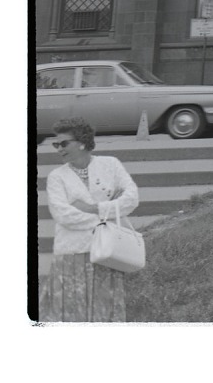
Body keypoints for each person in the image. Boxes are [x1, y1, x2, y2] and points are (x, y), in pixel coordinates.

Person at [40, 117, 139, 321]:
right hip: (72, 252)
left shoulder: (111, 164)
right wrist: (106, 219)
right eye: (56, 145)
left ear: (82, 142)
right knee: (70, 313)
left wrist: (94, 208)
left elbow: (131, 199)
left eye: (64, 143)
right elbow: (63, 214)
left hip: (108, 252)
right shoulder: (57, 177)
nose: (59, 149)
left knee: (104, 311)